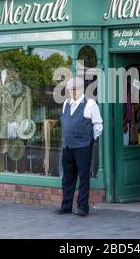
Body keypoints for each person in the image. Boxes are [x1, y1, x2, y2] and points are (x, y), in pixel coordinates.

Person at [55, 77, 103, 216]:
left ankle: (83, 207)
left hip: (83, 147)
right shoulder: (66, 103)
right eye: (71, 89)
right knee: (67, 178)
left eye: (75, 89)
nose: (73, 92)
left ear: (82, 89)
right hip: (67, 146)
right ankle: (66, 206)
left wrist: (90, 140)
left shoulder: (90, 103)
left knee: (83, 177)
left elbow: (98, 125)